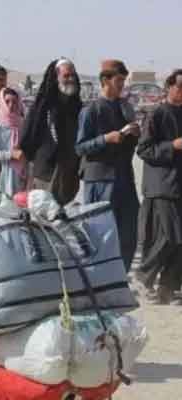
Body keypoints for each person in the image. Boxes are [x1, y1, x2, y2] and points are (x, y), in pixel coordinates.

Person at [76, 60, 140, 272]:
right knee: (100, 234)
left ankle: (121, 275)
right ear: (105, 80)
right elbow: (80, 147)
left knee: (128, 233)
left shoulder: (125, 108)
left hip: (124, 179)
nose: (122, 85)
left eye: (123, 80)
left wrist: (133, 134)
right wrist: (105, 139)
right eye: (118, 80)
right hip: (100, 181)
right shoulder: (91, 110)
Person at [135, 69, 182, 305]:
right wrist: (172, 146)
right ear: (169, 87)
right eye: (180, 87)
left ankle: (168, 288)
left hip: (179, 185)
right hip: (162, 186)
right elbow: (144, 149)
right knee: (170, 237)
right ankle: (144, 275)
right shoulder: (157, 114)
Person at [20, 58, 83, 205]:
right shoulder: (43, 107)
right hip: (45, 173)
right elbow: (29, 137)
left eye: (73, 75)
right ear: (56, 78)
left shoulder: (77, 108)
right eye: (66, 76)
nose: (70, 79)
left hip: (69, 174)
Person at [0, 87, 27, 196]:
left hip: (20, 176)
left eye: (14, 102)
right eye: (7, 101)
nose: (11, 105)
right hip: (3, 175)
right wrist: (10, 154)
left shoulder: (23, 125)